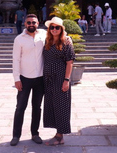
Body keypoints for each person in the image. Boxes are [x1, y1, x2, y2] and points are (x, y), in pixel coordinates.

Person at [10, 14, 46, 146]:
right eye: (29, 22)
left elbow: (58, 36)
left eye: (34, 22)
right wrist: (16, 79)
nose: (31, 24)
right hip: (25, 78)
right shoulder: (19, 39)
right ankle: (16, 135)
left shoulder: (43, 35)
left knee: (37, 107)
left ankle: (35, 133)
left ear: (38, 23)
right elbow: (16, 59)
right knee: (20, 107)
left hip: (40, 78)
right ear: (25, 24)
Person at [43, 16, 75, 146]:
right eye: (52, 27)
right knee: (51, 105)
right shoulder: (48, 41)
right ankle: (57, 134)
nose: (54, 29)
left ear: (61, 29)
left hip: (60, 78)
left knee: (61, 106)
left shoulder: (66, 42)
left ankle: (60, 136)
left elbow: (70, 62)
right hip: (49, 79)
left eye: (57, 27)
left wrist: (66, 80)